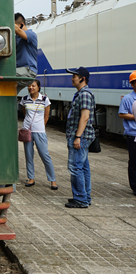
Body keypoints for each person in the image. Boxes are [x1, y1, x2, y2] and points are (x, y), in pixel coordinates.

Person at [65, 67, 95, 209]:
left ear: (82, 78)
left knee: (76, 167)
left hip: (80, 137)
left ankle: (81, 199)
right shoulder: (81, 94)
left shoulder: (84, 95)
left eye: (74, 76)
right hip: (80, 136)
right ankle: (84, 196)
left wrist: (77, 137)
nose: (72, 78)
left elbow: (85, 117)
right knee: (83, 167)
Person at [19, 80, 58, 190]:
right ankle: (31, 178)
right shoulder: (24, 99)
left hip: (40, 131)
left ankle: (53, 180)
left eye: (33, 86)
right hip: (27, 131)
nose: (31, 87)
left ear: (39, 87)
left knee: (45, 155)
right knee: (28, 155)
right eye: (29, 86)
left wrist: (40, 126)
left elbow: (46, 117)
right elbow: (25, 114)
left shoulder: (45, 99)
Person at [118, 71, 136, 196]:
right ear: (132, 84)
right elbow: (122, 114)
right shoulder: (128, 99)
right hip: (132, 134)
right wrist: (135, 116)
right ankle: (135, 186)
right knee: (134, 161)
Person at [15, 12, 38, 93]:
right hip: (19, 71)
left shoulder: (31, 35)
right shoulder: (16, 38)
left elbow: (18, 30)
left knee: (6, 75)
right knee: (8, 92)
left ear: (21, 25)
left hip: (28, 71)